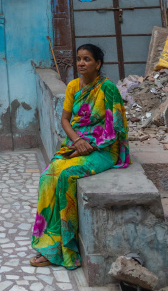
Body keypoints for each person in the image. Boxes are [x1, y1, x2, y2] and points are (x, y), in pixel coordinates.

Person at [30, 44, 131, 269]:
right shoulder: (74, 86)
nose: (81, 63)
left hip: (103, 149)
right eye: (78, 59)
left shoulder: (107, 88)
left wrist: (89, 146)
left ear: (98, 64)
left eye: (87, 59)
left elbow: (116, 128)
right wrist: (77, 141)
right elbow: (65, 120)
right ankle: (48, 243)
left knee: (66, 177)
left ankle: (67, 247)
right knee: (48, 176)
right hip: (77, 144)